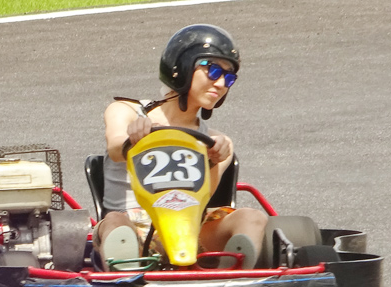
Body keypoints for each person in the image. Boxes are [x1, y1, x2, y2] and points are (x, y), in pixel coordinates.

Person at [95, 24, 268, 270]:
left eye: (229, 77)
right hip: (133, 225)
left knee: (253, 218)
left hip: (189, 227)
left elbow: (203, 199)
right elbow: (115, 148)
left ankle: (230, 280)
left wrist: (213, 160)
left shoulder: (216, 141)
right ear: (182, 67)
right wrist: (133, 137)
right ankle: (126, 273)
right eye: (213, 71)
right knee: (113, 222)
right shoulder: (127, 112)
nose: (221, 83)